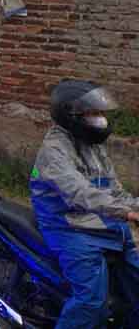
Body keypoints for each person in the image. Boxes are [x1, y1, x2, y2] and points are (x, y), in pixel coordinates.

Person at [30, 79, 139, 328]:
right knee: (91, 303)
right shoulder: (54, 151)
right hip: (68, 227)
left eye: (101, 113)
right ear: (72, 115)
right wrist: (127, 213)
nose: (100, 119)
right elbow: (81, 193)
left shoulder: (93, 145)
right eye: (94, 113)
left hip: (103, 223)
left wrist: (134, 206)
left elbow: (114, 191)